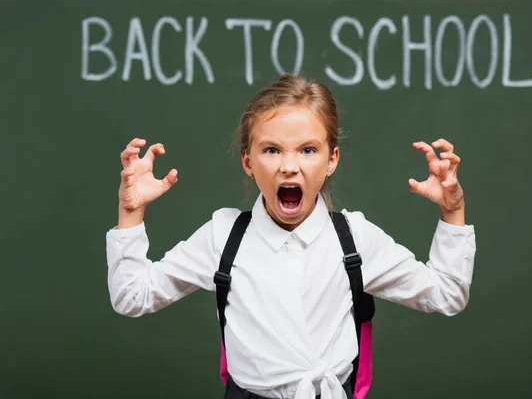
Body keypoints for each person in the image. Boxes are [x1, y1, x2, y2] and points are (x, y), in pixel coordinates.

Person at [106, 74, 476, 399]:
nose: (288, 165)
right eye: (271, 150)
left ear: (331, 160)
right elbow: (131, 296)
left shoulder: (354, 239)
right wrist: (131, 212)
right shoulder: (223, 237)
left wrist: (452, 212)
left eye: (308, 150)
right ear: (248, 162)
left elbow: (447, 293)